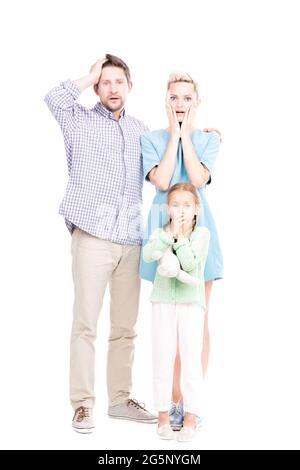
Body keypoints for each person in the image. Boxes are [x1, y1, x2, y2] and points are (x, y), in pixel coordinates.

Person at [44, 54, 157, 433]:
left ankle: (121, 400)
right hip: (92, 234)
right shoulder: (79, 120)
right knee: (85, 325)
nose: (112, 88)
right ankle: (82, 404)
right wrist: (90, 73)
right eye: (104, 82)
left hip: (130, 238)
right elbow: (54, 99)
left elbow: (161, 174)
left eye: (118, 82)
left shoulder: (142, 130)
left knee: (125, 327)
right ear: (97, 86)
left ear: (130, 87)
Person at [140, 72, 223, 430]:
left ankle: (189, 404)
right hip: (163, 231)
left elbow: (197, 178)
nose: (180, 104)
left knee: (196, 322)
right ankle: (169, 401)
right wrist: (173, 136)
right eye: (174, 97)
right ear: (165, 100)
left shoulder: (208, 141)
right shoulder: (151, 139)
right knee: (167, 326)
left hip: (199, 235)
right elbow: (162, 180)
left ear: (196, 103)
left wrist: (187, 136)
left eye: (187, 98)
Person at [142, 182, 210, 442]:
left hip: (191, 304)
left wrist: (180, 238)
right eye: (176, 205)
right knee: (162, 358)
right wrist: (167, 235)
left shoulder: (201, 234)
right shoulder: (160, 232)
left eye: (187, 205)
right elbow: (148, 255)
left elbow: (191, 263)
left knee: (191, 360)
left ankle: (191, 418)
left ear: (196, 210)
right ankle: (162, 418)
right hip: (162, 303)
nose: (181, 210)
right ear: (168, 208)